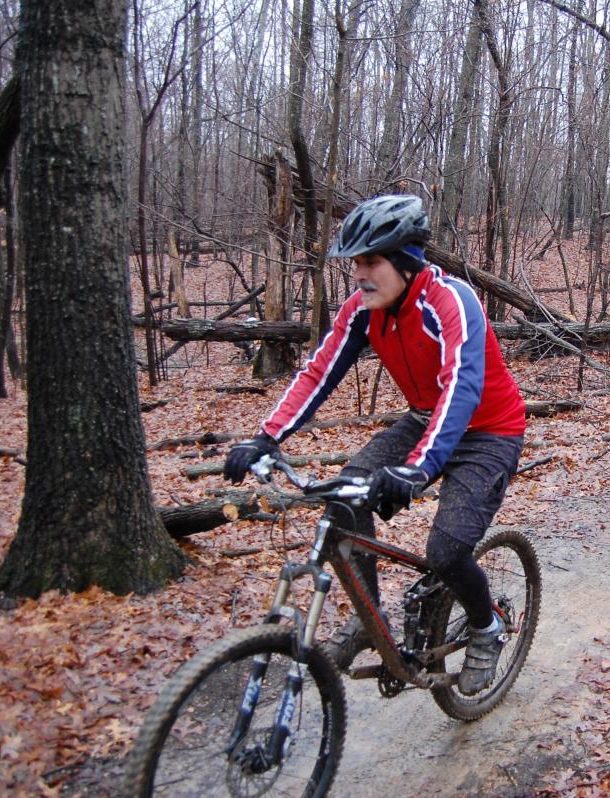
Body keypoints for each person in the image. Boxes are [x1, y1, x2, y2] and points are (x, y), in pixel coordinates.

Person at [222, 194, 526, 696]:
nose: (360, 274)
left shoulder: (451, 301)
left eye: (371, 261)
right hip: (427, 419)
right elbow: (319, 372)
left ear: (406, 262)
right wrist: (266, 436)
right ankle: (370, 615)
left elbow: (462, 387)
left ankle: (485, 626)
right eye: (355, 263)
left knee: (447, 552)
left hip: (489, 431)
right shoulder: (364, 311)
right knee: (343, 499)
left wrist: (417, 470)